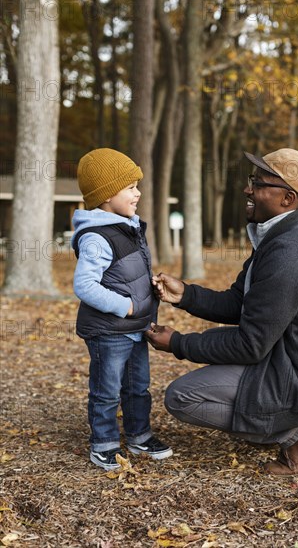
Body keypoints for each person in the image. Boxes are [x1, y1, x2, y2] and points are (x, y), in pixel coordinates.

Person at [146, 148, 298, 476]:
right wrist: (186, 294)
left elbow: (249, 345)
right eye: (252, 181)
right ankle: (286, 421)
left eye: (259, 184)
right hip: (291, 360)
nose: (248, 189)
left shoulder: (291, 255)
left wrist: (179, 344)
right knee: (205, 390)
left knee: (182, 397)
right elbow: (238, 303)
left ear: (287, 198)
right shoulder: (279, 238)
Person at [72, 148, 172, 471]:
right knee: (106, 390)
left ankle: (139, 436)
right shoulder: (96, 237)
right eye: (130, 187)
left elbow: (126, 274)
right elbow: (85, 286)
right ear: (106, 196)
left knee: (137, 387)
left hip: (135, 329)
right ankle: (103, 443)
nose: (138, 192)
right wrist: (125, 305)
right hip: (109, 331)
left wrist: (149, 288)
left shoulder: (127, 226)